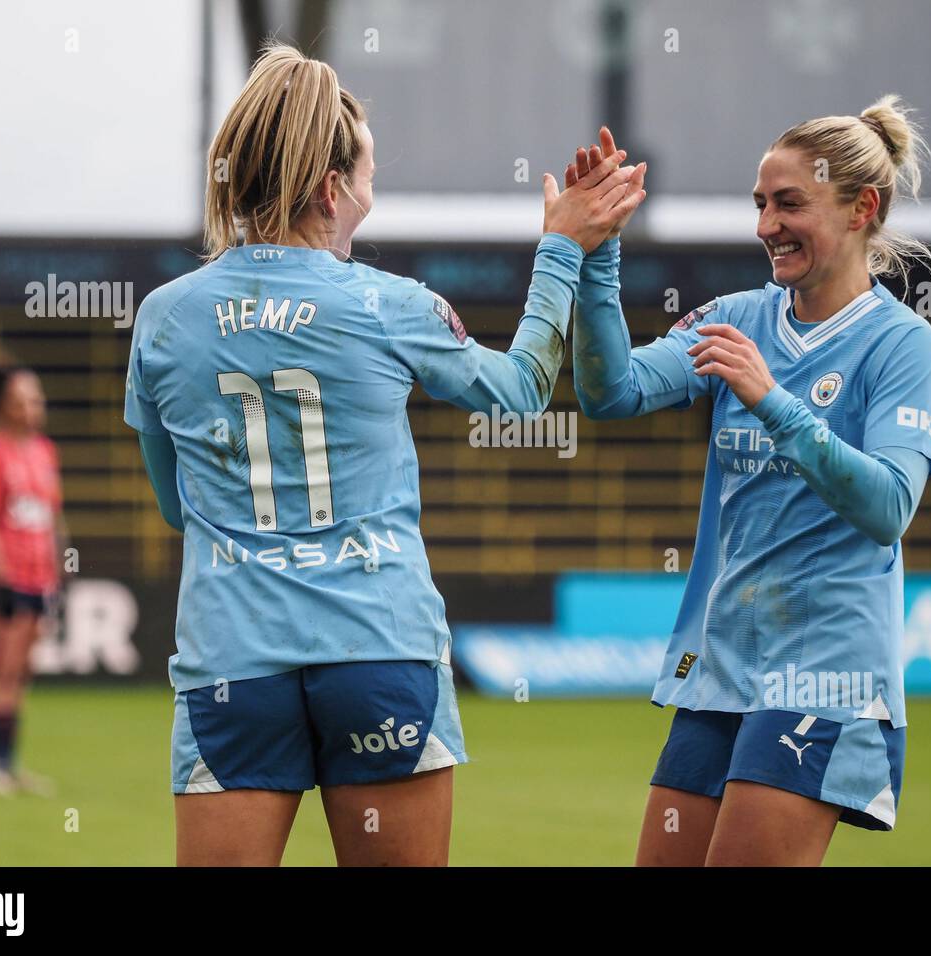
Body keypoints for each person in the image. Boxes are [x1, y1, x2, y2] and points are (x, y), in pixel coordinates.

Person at [124, 43, 646, 866]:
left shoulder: (163, 317)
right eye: (368, 174)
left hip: (233, 662)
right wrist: (560, 248)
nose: (372, 192)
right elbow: (518, 392)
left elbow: (173, 504)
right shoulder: (388, 303)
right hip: (377, 650)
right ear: (332, 189)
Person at [568, 100, 931, 865]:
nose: (765, 224)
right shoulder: (740, 316)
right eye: (760, 204)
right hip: (721, 668)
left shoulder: (901, 345)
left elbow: (887, 507)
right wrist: (599, 258)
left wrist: (773, 401)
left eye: (789, 203)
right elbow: (611, 393)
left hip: (825, 676)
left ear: (860, 208)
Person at [0, 364, 65, 796]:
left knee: (21, 670)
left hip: (39, 578)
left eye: (36, 397)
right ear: (3, 405)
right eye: (23, 399)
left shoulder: (43, 450)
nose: (33, 407)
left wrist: (60, 567)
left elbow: (54, 515)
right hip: (5, 578)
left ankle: (10, 762)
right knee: (0, 668)